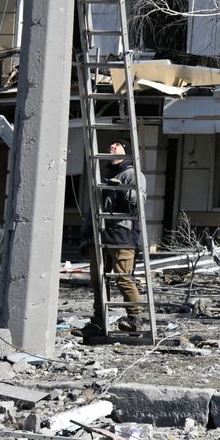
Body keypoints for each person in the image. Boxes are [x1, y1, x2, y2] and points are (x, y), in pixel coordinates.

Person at [95, 141, 147, 338]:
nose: (112, 147)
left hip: (123, 233)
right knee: (99, 279)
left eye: (117, 145)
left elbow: (139, 200)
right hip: (104, 231)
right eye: (111, 145)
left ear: (126, 152)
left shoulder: (131, 174)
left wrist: (124, 188)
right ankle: (99, 319)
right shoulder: (108, 174)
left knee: (123, 277)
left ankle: (135, 318)